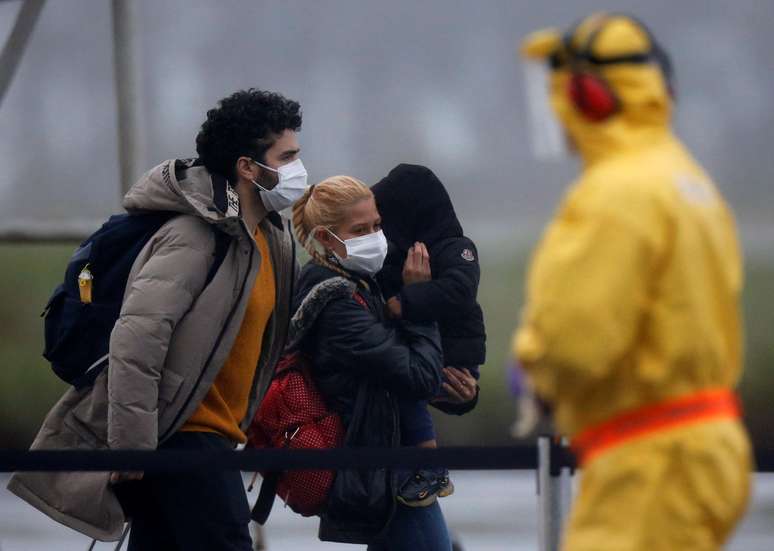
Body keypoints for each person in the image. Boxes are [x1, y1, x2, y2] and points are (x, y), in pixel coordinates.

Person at [8, 89, 303, 550]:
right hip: (183, 438)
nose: (297, 169)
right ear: (248, 167)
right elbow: (137, 340)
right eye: (287, 157)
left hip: (219, 439)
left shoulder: (269, 236)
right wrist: (132, 444)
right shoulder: (192, 236)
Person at [513, 13, 751, 551]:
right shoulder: (686, 180)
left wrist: (536, 367)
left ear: (585, 95)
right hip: (704, 446)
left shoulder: (615, 194)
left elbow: (576, 341)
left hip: (649, 460)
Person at [290, 175, 452, 551]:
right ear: (327, 239)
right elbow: (419, 377)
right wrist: (419, 306)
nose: (375, 237)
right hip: (382, 472)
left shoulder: (361, 283)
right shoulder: (336, 303)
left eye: (377, 225)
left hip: (390, 466)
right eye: (359, 230)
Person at [371, 164, 486, 506]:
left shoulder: (456, 248)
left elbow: (459, 289)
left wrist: (403, 302)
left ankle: (430, 469)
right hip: (432, 357)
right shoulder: (396, 254)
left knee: (407, 388)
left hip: (453, 356)